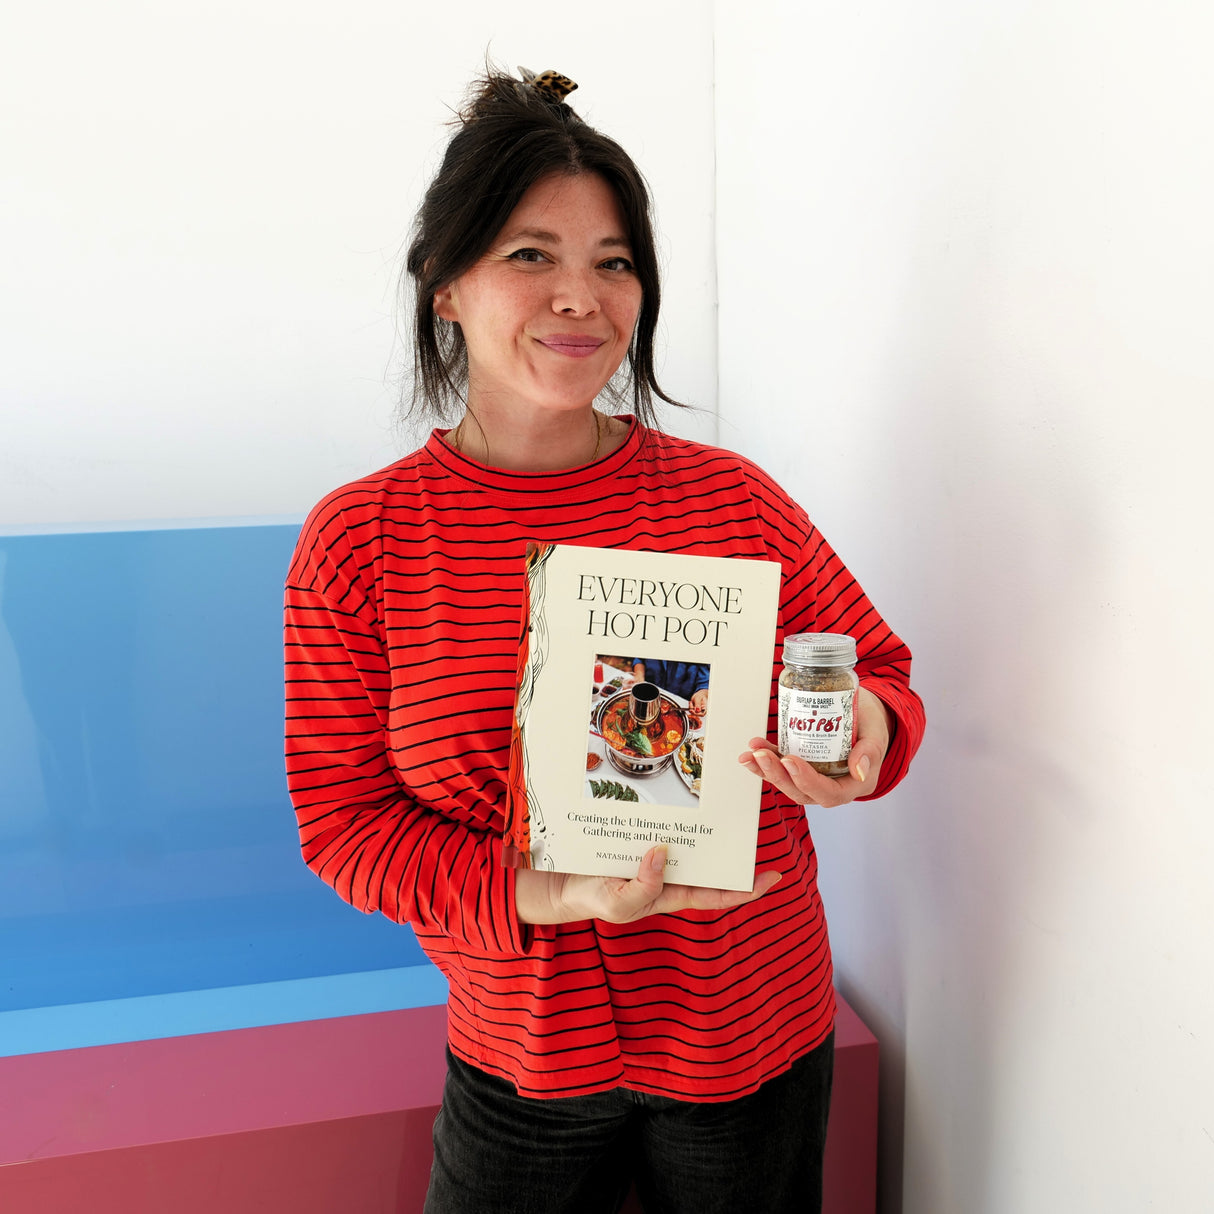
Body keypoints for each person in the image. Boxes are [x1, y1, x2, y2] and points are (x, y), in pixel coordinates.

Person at [284, 66, 925, 1214]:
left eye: (613, 261)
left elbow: (870, 666)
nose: (579, 295)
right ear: (444, 282)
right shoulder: (362, 539)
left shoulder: (730, 499)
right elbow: (344, 824)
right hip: (518, 1044)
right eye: (530, 253)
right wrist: (542, 888)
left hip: (749, 1035)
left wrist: (865, 732)